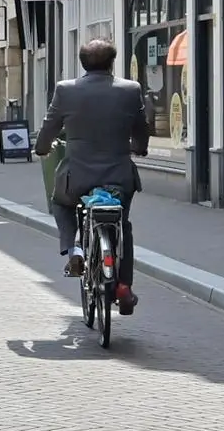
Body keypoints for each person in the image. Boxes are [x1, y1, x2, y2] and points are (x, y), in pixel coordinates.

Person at [33, 38, 150, 313]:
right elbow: (141, 128)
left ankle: (74, 250)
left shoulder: (66, 90)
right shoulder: (130, 89)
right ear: (112, 62)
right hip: (119, 177)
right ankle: (124, 286)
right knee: (123, 223)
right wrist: (140, 148)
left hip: (78, 177)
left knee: (60, 203)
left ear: (82, 63)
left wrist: (41, 148)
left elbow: (49, 127)